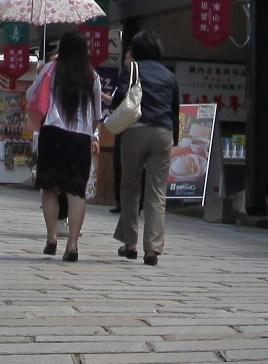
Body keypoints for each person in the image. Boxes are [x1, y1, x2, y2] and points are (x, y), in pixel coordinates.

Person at [28, 31, 105, 260]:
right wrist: (93, 135)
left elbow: (31, 95)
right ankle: (72, 245)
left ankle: (52, 237)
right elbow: (97, 113)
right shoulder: (92, 75)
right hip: (80, 137)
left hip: (53, 133)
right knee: (76, 192)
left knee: (49, 188)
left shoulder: (51, 70)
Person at [113, 30, 180, 266]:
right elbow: (174, 109)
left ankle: (130, 243)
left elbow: (119, 99)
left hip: (136, 131)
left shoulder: (132, 69)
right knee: (157, 191)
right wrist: (175, 138)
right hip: (163, 134)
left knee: (130, 187)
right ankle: (152, 249)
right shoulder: (169, 75)